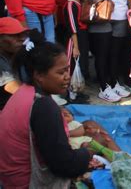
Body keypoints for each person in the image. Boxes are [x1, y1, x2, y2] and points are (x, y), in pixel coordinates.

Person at [0, 38, 92, 187]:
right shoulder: (43, 106)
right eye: (61, 72)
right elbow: (65, 165)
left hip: (10, 178)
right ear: (39, 75)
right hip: (27, 182)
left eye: (67, 70)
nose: (67, 77)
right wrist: (87, 153)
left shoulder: (23, 91)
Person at [63, 0, 90, 102]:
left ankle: (78, 92)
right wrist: (75, 47)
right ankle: (71, 94)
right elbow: (73, 28)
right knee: (73, 65)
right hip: (74, 40)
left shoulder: (80, 4)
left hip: (82, 37)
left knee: (82, 64)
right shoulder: (70, 5)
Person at [0, 17, 28, 110]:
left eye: (22, 34)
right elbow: (16, 92)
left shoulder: (16, 55)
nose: (22, 39)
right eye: (15, 35)